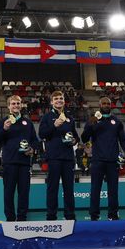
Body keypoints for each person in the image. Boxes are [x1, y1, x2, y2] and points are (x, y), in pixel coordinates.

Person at [82, 96, 125, 221]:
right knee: (95, 189)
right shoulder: (93, 121)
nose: (105, 105)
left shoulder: (117, 122)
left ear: (111, 105)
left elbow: (123, 140)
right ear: (99, 105)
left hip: (112, 161)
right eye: (103, 103)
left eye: (108, 103)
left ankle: (113, 215)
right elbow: (84, 138)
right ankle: (94, 215)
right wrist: (89, 125)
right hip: (97, 160)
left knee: (113, 190)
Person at [0, 95, 38, 222]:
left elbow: (35, 141)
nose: (16, 106)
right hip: (9, 162)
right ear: (8, 106)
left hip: (24, 163)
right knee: (9, 192)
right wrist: (4, 129)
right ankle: (10, 219)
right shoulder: (3, 121)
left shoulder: (28, 123)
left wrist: (31, 149)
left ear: (21, 105)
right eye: (13, 104)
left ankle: (22, 218)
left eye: (18, 103)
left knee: (24, 193)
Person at [39, 90, 79, 221]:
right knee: (52, 188)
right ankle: (51, 216)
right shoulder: (46, 117)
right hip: (54, 157)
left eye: (61, 98)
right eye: (56, 99)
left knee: (69, 188)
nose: (59, 101)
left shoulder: (69, 117)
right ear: (51, 102)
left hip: (68, 158)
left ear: (64, 101)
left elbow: (76, 136)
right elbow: (42, 134)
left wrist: (74, 140)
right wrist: (54, 125)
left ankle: (70, 215)